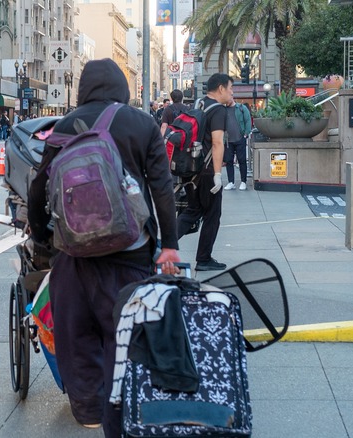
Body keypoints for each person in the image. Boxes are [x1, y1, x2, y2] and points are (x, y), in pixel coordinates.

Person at [27, 58, 180, 437]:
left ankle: (89, 411)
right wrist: (170, 245)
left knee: (75, 334)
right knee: (123, 334)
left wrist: (45, 239)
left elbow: (38, 187)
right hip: (131, 252)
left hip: (74, 254)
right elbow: (162, 188)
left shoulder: (64, 125)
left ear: (84, 88)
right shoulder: (142, 123)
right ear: (121, 88)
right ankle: (122, 410)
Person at [175, 73, 232, 271]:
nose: (232, 92)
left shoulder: (199, 105)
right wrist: (218, 175)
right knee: (212, 215)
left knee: (193, 211)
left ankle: (161, 244)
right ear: (221, 88)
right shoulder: (218, 111)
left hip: (192, 169)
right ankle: (204, 258)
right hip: (207, 172)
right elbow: (217, 142)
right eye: (230, 88)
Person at [223, 100, 252, 191]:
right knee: (229, 161)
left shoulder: (241, 108)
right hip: (228, 140)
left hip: (240, 138)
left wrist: (246, 133)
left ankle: (243, 182)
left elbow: (248, 120)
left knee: (242, 160)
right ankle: (231, 182)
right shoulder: (224, 110)